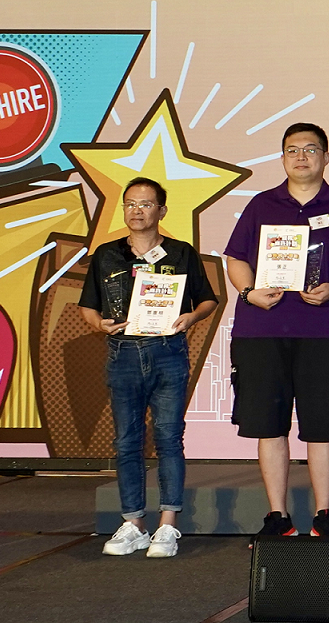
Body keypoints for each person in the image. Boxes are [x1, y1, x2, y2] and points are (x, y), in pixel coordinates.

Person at [223, 122, 329, 541]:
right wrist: (249, 291)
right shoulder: (260, 205)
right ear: (283, 157)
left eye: (311, 149)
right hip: (263, 331)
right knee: (269, 425)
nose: (302, 156)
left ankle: (324, 515)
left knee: (322, 425)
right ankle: (278, 517)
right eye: (293, 150)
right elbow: (234, 259)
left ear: (326, 157)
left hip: (325, 332)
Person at [85, 178, 219, 559]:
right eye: (130, 204)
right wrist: (99, 324)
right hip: (122, 354)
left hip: (167, 351)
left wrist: (190, 318)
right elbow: (88, 307)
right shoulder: (107, 255)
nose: (137, 211)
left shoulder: (181, 252)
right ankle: (133, 524)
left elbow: (207, 300)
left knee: (168, 438)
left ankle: (167, 525)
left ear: (161, 210)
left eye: (145, 204)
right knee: (127, 442)